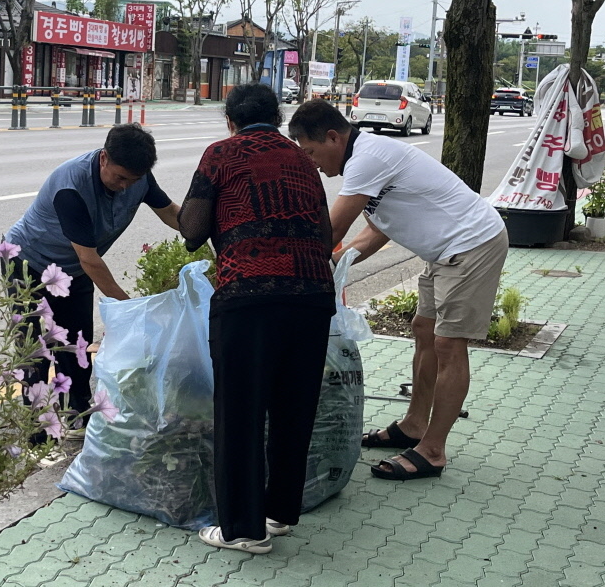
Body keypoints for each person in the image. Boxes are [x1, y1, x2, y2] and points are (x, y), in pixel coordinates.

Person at [287, 99, 508, 481]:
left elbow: (331, 232)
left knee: (448, 344)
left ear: (333, 137)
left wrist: (293, 265)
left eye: (310, 152)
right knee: (424, 331)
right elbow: (375, 231)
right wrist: (335, 264)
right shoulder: (366, 158)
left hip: (472, 245)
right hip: (443, 252)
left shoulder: (367, 159)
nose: (311, 163)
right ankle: (414, 425)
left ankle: (433, 450)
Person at [179, 82, 336, 554]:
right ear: (277, 115)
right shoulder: (303, 160)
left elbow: (191, 229)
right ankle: (280, 513)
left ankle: (244, 530)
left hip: (248, 296)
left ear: (230, 120)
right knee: (294, 407)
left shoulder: (221, 154)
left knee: (241, 411)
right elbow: (326, 234)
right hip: (311, 296)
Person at [4, 123, 180, 442]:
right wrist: (129, 308)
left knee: (77, 345)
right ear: (103, 158)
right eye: (120, 177)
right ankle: (37, 430)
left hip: (72, 269)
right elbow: (90, 260)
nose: (126, 186)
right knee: (36, 348)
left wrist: (201, 229)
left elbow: (169, 212)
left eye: (134, 180)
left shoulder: (138, 179)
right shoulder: (71, 186)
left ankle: (78, 418)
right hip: (29, 263)